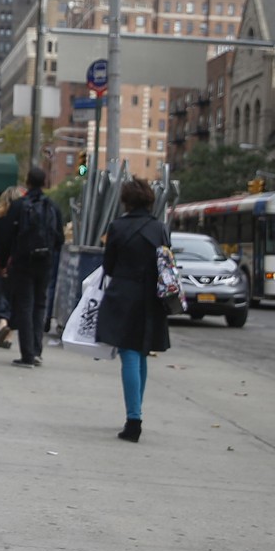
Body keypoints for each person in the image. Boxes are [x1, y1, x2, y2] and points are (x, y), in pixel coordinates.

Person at [94, 179, 171, 442]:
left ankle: (133, 419)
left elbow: (109, 266)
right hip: (151, 297)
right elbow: (166, 263)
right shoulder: (160, 229)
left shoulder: (117, 227)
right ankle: (135, 411)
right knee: (141, 353)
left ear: (126, 201)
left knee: (128, 354)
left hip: (124, 295)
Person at [1, 167, 62, 368]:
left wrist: (3, 263)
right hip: (45, 263)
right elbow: (59, 238)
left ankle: (27, 354)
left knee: (25, 305)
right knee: (40, 305)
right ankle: (36, 351)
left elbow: (7, 236)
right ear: (45, 182)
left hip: (23, 261)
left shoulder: (19, 205)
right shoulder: (52, 206)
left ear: (27, 182)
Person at [0, 186, 21, 349]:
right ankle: (9, 336)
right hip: (16, 264)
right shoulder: (23, 216)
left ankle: (2, 324)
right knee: (13, 298)